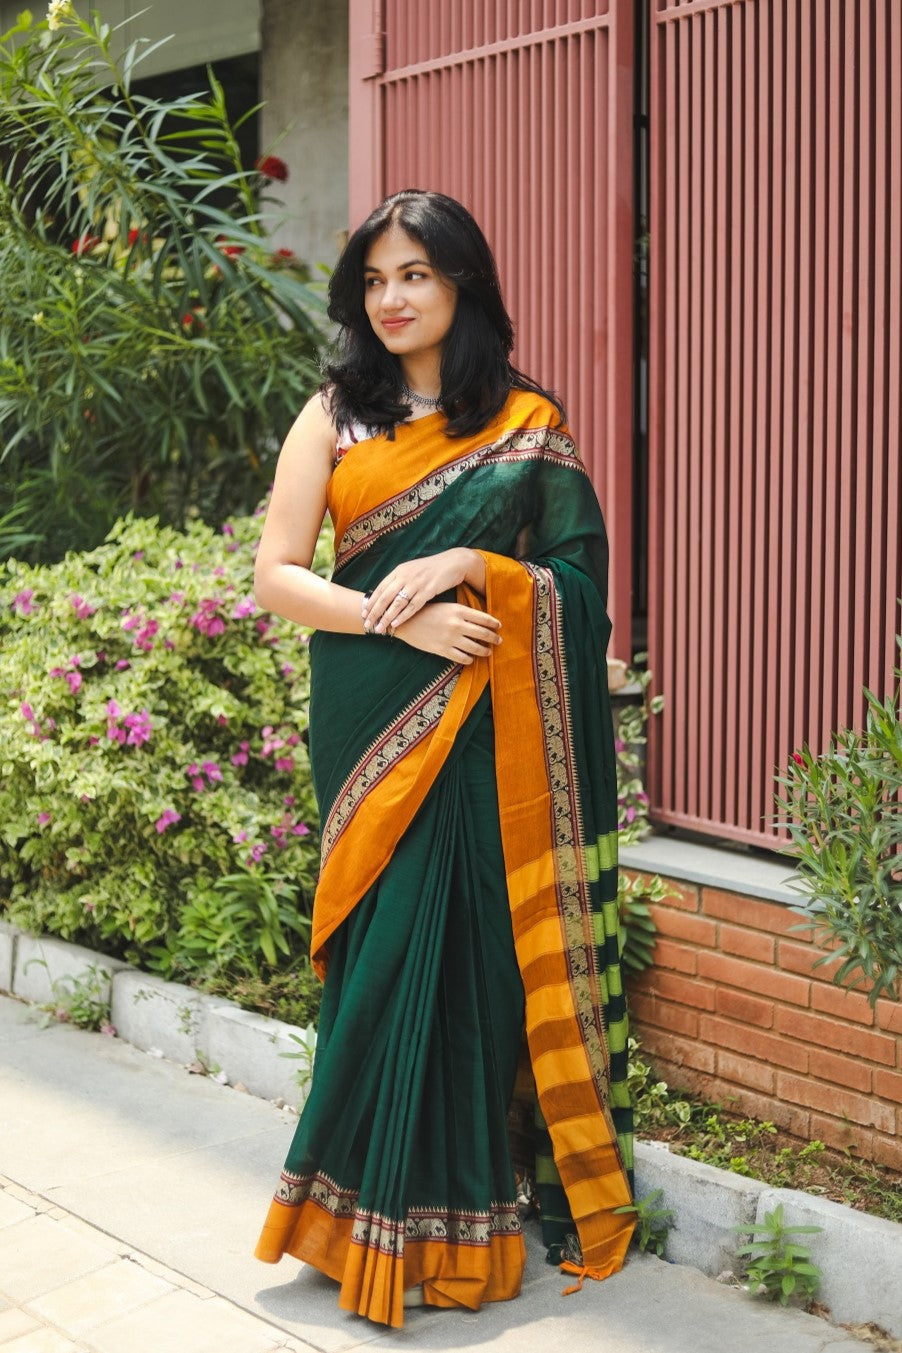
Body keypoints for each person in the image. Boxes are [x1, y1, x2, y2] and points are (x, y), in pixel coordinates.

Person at [252, 188, 635, 1328]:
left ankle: (451, 1224)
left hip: (479, 734)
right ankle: (345, 1212)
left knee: (468, 964)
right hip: (370, 721)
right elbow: (276, 576)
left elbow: (576, 588)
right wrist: (394, 618)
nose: (390, 299)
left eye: (413, 274)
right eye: (372, 280)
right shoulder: (335, 416)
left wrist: (478, 559)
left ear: (461, 282)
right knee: (377, 965)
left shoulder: (527, 423)